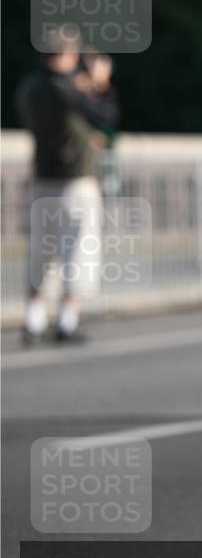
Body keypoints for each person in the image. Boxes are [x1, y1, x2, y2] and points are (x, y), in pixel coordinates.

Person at [15, 25, 120, 343]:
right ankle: (66, 319)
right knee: (77, 251)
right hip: (75, 180)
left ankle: (33, 318)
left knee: (41, 252)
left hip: (42, 178)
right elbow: (106, 116)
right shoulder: (68, 88)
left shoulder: (30, 87)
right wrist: (100, 84)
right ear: (68, 53)